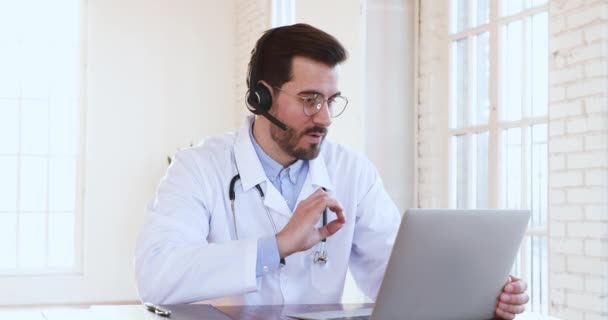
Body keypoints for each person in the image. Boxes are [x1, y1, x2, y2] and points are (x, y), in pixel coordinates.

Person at [134, 23, 528, 319]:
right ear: (261, 97)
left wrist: (476, 297)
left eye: (329, 101)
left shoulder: (352, 171)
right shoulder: (198, 168)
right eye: (309, 100)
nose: (323, 117)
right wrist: (279, 245)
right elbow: (157, 275)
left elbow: (392, 277)